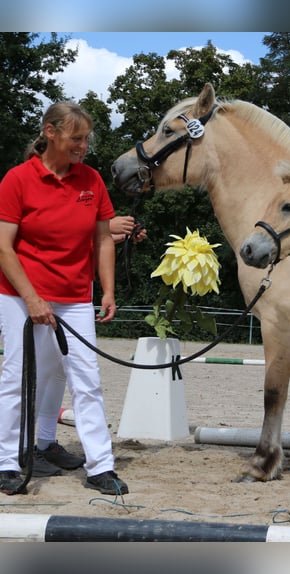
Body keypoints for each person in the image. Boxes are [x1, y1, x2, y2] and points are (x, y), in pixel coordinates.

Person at [0, 101, 128, 496]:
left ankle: (100, 466)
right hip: (21, 295)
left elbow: (103, 238)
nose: (83, 146)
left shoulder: (91, 181)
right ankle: (6, 460)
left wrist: (106, 289)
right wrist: (33, 299)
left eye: (86, 138)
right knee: (18, 377)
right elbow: (4, 247)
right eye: (76, 138)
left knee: (86, 380)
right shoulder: (17, 180)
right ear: (50, 133)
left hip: (75, 296)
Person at [27, 215, 147, 478]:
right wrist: (106, 229)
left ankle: (45, 443)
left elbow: (83, 246)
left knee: (59, 372)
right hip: (43, 290)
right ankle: (22, 448)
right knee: (37, 373)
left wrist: (117, 236)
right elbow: (57, 237)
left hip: (76, 292)